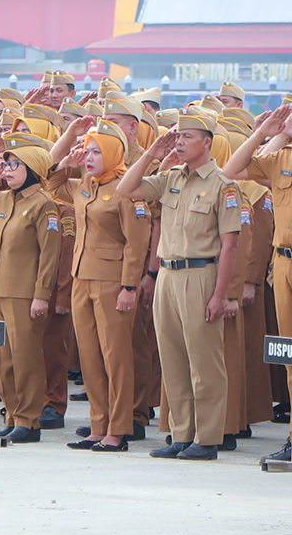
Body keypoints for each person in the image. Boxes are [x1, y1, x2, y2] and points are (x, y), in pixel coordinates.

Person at [120, 107, 240, 460]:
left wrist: (221, 295)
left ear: (207, 142)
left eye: (187, 136)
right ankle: (181, 433)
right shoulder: (171, 176)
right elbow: (127, 189)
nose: (180, 141)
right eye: (178, 135)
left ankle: (207, 438)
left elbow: (230, 245)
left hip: (201, 275)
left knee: (204, 361)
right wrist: (152, 154)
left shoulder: (224, 186)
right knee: (172, 359)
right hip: (169, 277)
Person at [50, 119, 151, 451]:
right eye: (88, 151)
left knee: (116, 357)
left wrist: (129, 287)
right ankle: (98, 423)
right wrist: (67, 162)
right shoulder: (84, 185)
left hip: (112, 283)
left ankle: (119, 428)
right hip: (82, 278)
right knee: (91, 356)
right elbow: (50, 185)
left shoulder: (127, 190)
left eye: (96, 151)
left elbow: (136, 245)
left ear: (113, 153)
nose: (90, 157)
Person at [0, 132, 61, 443]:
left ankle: (29, 421)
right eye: (7, 164)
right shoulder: (1, 199)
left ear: (31, 168)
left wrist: (41, 295)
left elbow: (50, 254)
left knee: (25, 358)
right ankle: (12, 414)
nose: (8, 169)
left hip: (23, 294)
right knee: (1, 359)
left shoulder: (45, 204)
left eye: (15, 164)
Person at [223, 104, 292, 463]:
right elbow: (232, 170)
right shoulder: (281, 156)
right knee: (291, 352)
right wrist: (269, 133)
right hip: (283, 263)